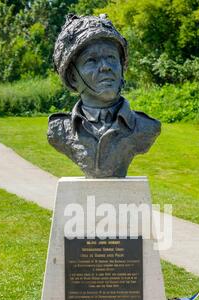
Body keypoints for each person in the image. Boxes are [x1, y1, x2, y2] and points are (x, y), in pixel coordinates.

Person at [48, 14, 161, 178]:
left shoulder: (146, 127)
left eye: (111, 58)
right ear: (73, 77)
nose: (105, 67)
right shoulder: (59, 130)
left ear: (122, 68)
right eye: (91, 60)